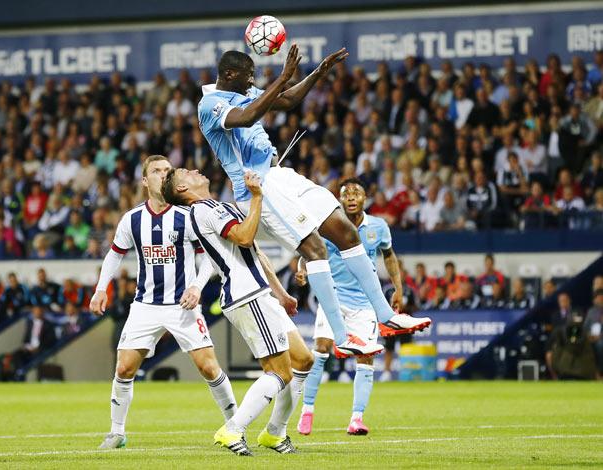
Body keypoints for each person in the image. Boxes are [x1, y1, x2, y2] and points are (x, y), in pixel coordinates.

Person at [198, 46, 430, 356]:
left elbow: (288, 100)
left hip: (280, 175)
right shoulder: (209, 104)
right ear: (229, 75)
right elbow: (249, 116)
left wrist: (317, 73)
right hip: (258, 189)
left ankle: (386, 316)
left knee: (345, 231)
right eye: (247, 76)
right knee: (315, 249)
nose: (251, 81)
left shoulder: (244, 90)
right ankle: (342, 335)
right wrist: (281, 77)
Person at [162, 167, 315, 456]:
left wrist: (281, 294)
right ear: (182, 189)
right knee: (280, 373)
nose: (196, 170)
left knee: (304, 360)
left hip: (262, 293)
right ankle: (233, 429)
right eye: (187, 172)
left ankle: (274, 434)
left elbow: (254, 251)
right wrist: (257, 196)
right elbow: (244, 237)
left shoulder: (217, 207)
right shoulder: (205, 210)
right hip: (247, 294)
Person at [90, 156, 237, 450]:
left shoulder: (187, 216)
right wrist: (101, 288)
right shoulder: (133, 219)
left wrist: (196, 286)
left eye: (167, 171)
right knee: (124, 368)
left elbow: (209, 256)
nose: (162, 175)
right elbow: (115, 254)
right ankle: (117, 432)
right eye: (156, 171)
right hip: (145, 305)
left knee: (209, 367)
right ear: (145, 180)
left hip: (182, 305)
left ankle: (236, 426)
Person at [293, 178, 413, 436]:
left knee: (366, 356)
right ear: (338, 199)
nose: (350, 197)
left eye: (355, 193)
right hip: (333, 297)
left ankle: (356, 418)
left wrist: (398, 287)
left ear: (364, 198)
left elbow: (389, 255)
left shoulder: (378, 227)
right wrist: (302, 270)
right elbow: (310, 250)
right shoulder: (328, 224)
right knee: (322, 349)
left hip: (365, 302)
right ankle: (307, 411)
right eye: (345, 193)